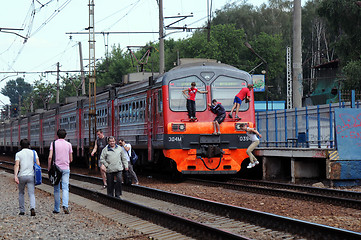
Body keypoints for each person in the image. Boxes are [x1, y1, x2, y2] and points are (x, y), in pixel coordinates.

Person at [48, 129, 73, 214]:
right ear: (65, 135)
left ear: (57, 135)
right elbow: (71, 159)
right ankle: (65, 205)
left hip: (56, 169)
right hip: (66, 168)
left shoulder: (53, 143)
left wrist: (49, 167)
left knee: (56, 189)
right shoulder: (69, 144)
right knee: (65, 188)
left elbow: (50, 157)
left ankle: (56, 209)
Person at [14, 139, 40, 216]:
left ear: (21, 145)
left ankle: (22, 210)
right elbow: (38, 163)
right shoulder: (34, 152)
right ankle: (32, 208)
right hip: (31, 175)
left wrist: (15, 176)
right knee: (31, 193)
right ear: (29, 145)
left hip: (21, 176)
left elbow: (17, 165)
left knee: (21, 193)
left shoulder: (18, 154)